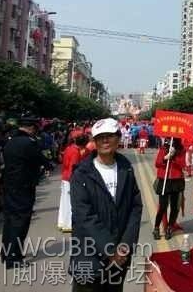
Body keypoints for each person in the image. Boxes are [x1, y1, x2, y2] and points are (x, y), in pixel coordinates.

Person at [69, 118, 142, 292]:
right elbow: (84, 216)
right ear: (94, 142)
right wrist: (110, 250)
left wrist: (124, 246)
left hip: (120, 256)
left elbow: (135, 208)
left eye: (109, 136)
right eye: (100, 137)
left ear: (118, 138)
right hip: (90, 255)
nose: (105, 140)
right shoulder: (81, 173)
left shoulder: (126, 168)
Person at [1, 115, 52, 268]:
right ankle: (14, 258)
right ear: (31, 127)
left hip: (9, 184)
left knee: (10, 220)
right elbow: (39, 158)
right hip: (23, 186)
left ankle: (6, 253)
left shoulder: (10, 141)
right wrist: (48, 165)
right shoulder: (29, 142)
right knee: (20, 221)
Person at [153, 138, 185, 241]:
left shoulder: (181, 150)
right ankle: (156, 228)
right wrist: (166, 157)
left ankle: (170, 228)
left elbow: (183, 165)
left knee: (174, 207)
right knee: (162, 206)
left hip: (176, 181)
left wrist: (174, 156)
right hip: (164, 180)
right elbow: (157, 163)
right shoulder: (163, 149)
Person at [58, 131, 88, 233]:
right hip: (70, 178)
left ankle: (62, 222)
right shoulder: (75, 151)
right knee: (70, 203)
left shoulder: (69, 148)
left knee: (64, 202)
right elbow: (73, 167)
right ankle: (68, 224)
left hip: (65, 177)